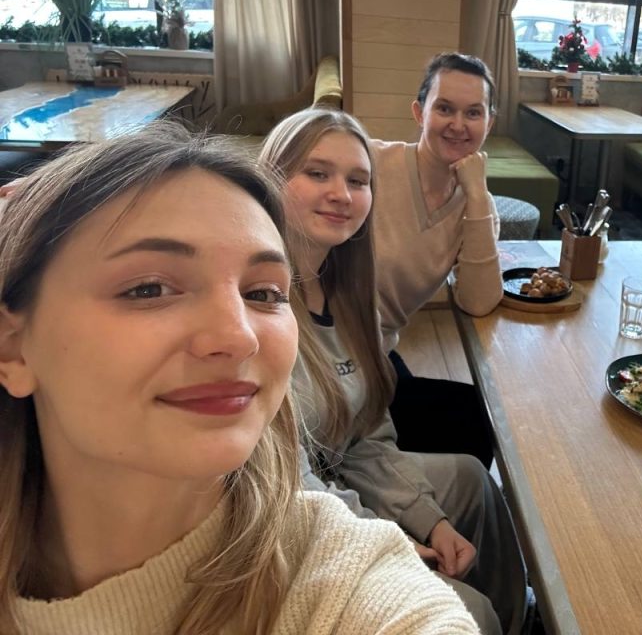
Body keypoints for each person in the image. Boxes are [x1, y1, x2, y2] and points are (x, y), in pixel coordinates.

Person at [0, 127, 477, 634]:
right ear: (12, 348)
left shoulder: (344, 580)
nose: (238, 336)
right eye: (148, 288)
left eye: (265, 294)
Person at [258, 108, 526, 635]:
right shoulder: (257, 311)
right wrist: (387, 537)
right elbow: (290, 486)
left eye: (358, 181)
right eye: (317, 173)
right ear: (271, 178)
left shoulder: (346, 290)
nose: (341, 193)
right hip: (285, 519)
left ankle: (521, 621)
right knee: (471, 613)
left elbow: (366, 437)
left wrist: (429, 518)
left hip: (336, 471)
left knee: (471, 479)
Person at [371, 52, 503, 466]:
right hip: (328, 350)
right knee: (472, 421)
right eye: (444, 108)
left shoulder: (478, 207)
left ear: (489, 123)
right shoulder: (371, 164)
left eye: (473, 113)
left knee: (477, 417)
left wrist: (476, 195)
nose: (458, 125)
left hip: (377, 349)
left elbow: (478, 301)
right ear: (419, 112)